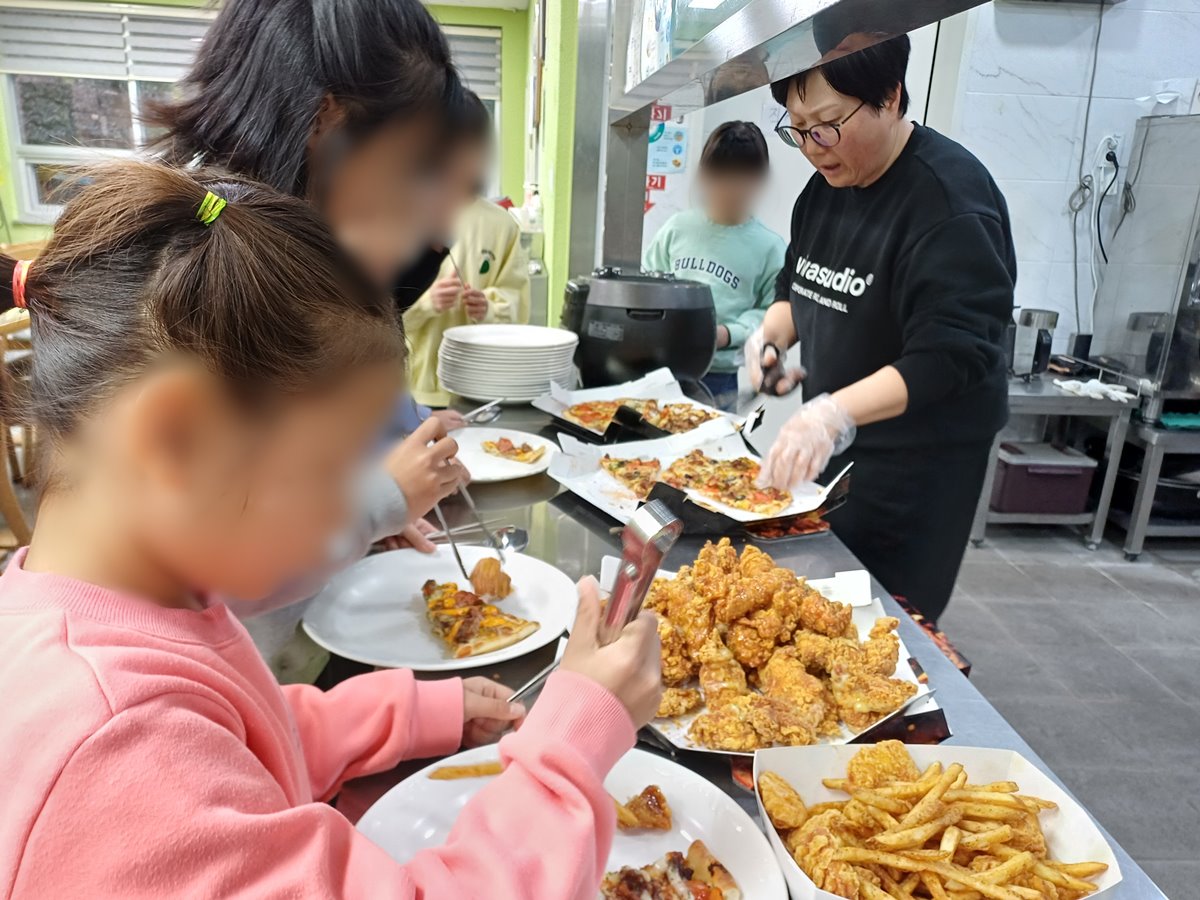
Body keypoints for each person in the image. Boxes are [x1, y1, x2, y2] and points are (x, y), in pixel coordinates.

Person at [0, 162, 662, 898]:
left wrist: (409, 712)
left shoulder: (134, 616)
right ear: (174, 440)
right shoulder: (113, 749)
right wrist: (571, 746)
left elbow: (243, 741)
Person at [147, 0, 474, 649]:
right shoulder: (211, 268)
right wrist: (379, 501)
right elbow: (207, 566)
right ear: (330, 120)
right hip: (235, 671)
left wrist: (366, 513)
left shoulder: (281, 241)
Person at [746, 34, 1014, 623]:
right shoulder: (827, 188)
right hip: (839, 452)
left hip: (917, 472)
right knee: (816, 610)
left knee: (882, 628)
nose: (812, 148)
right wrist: (770, 337)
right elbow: (797, 282)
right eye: (797, 129)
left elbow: (951, 355)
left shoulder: (949, 203)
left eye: (826, 126)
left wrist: (831, 413)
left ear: (889, 97)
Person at [643, 122, 786, 410]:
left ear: (758, 182)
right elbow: (647, 282)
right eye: (720, 178)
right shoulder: (678, 228)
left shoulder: (769, 247)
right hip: (662, 367)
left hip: (719, 376)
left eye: (740, 181)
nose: (728, 190)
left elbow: (771, 313)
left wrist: (728, 334)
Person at [403, 92, 530, 407]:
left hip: (478, 386)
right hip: (409, 388)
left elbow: (518, 304)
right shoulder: (401, 216)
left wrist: (488, 308)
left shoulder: (502, 225)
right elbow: (370, 315)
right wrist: (426, 303)